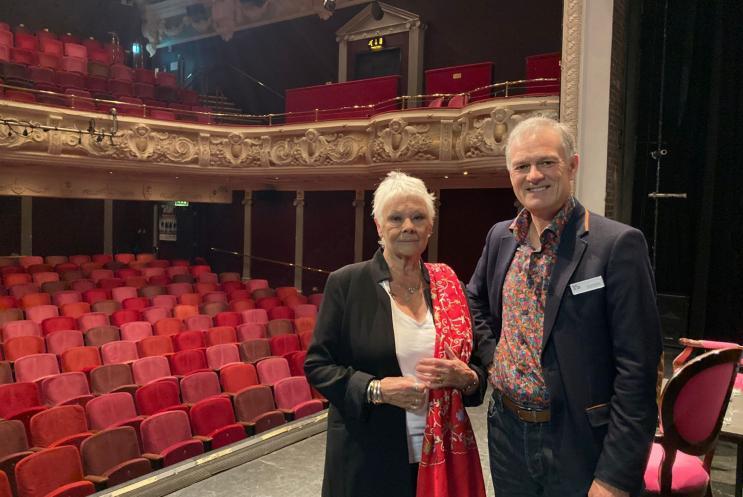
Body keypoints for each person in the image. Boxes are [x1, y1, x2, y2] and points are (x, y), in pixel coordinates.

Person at [467, 117, 662, 497]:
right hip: (506, 431)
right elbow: (474, 299)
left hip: (578, 438)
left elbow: (638, 370)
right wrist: (493, 357)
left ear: (572, 166)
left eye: (546, 163)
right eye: (522, 166)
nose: (533, 175)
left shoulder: (618, 245)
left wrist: (615, 476)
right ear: (510, 174)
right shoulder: (500, 238)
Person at [305, 171, 491, 497]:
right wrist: (376, 389)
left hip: (442, 454)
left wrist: (467, 378)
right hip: (368, 457)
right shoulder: (346, 284)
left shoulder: (450, 286)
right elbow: (318, 366)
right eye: (396, 218)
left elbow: (475, 369)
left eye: (418, 217)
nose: (408, 226)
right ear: (379, 226)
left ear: (430, 227)